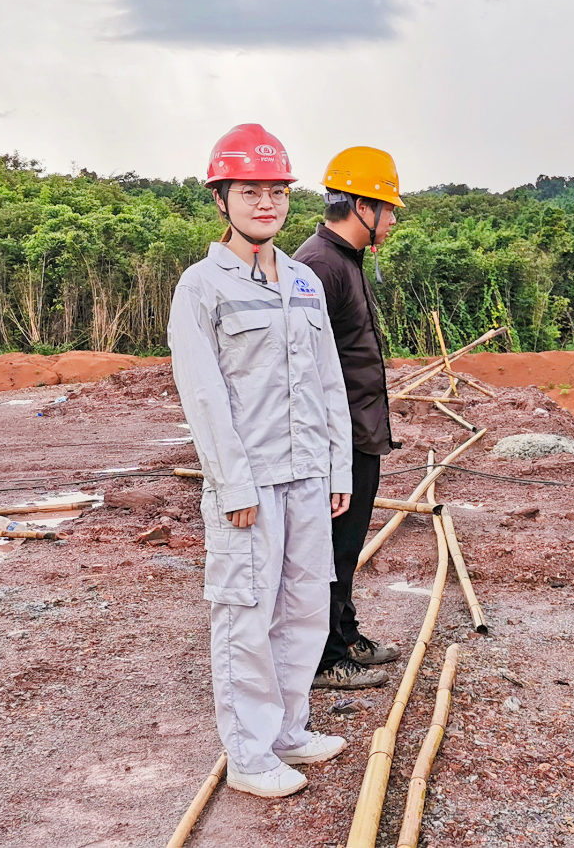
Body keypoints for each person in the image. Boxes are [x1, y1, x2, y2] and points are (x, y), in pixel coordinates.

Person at [168, 124, 355, 799]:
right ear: (221, 198)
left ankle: (288, 730)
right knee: (244, 612)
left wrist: (337, 469)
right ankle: (249, 754)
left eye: (275, 191)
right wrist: (230, 482)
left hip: (307, 476)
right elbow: (203, 395)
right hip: (248, 483)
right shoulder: (202, 286)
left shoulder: (304, 282)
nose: (265, 203)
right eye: (250, 191)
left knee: (304, 606)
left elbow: (328, 380)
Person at [294, 146, 405, 691]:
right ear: (362, 205)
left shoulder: (344, 260)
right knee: (332, 548)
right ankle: (325, 658)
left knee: (349, 543)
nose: (392, 220)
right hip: (338, 438)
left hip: (360, 430)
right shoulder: (318, 265)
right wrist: (331, 447)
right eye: (389, 209)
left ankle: (345, 634)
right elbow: (304, 367)